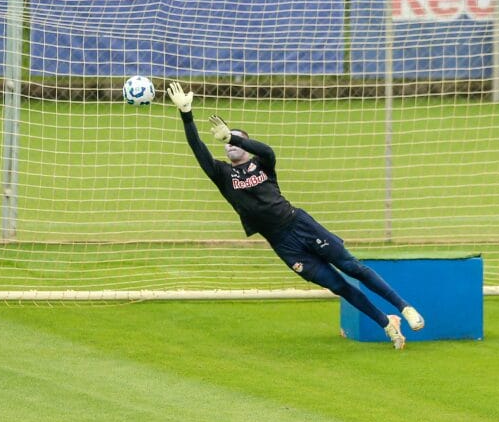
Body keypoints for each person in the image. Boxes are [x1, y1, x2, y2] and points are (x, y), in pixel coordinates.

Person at [165, 82, 425, 349]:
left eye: (235, 140)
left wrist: (232, 136)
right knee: (337, 286)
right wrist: (186, 114)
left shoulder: (262, 163)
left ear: (245, 145)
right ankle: (387, 324)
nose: (229, 145)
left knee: (352, 267)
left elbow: (267, 151)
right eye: (225, 141)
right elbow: (198, 149)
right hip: (282, 243)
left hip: (300, 224)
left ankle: (404, 307)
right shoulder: (222, 174)